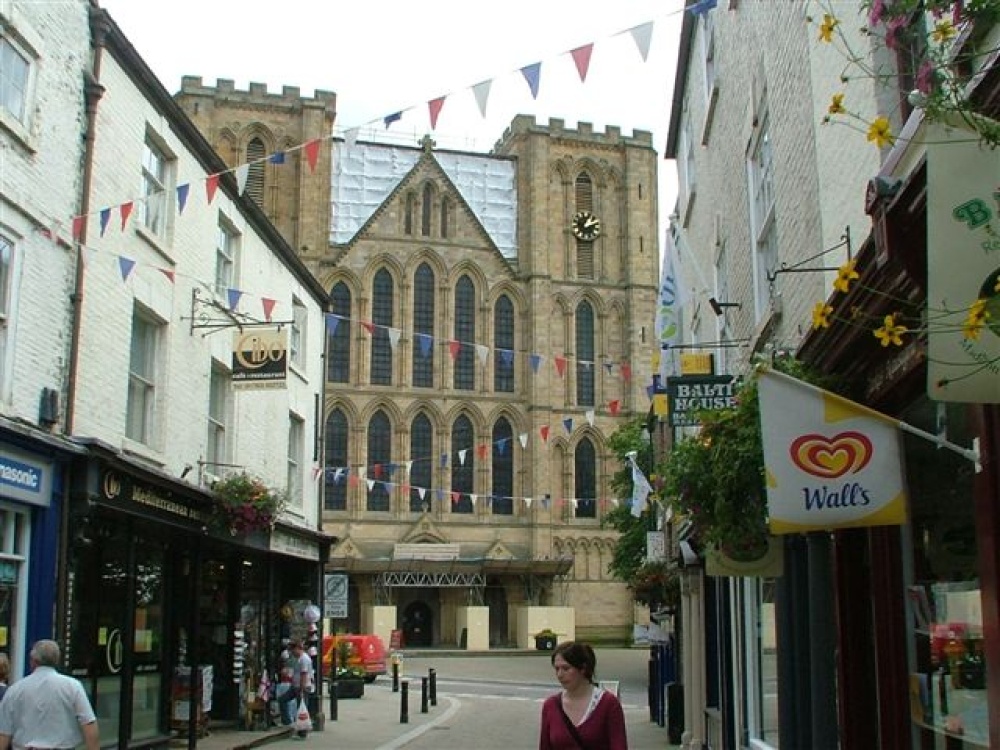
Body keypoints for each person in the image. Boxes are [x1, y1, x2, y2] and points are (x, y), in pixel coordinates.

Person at [0, 639, 99, 750]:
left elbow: (4, 733)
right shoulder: (73, 686)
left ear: (33, 661)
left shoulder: (15, 690)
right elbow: (88, 723)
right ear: (57, 660)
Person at [539, 641, 628, 750]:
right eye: (557, 669)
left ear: (583, 668)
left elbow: (619, 745)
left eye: (566, 668)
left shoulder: (608, 703)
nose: (560, 675)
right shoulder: (551, 705)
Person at [276, 639, 313, 739]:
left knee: (301, 708)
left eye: (293, 650)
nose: (292, 652)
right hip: (295, 686)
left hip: (302, 687)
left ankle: (303, 731)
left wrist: (301, 688)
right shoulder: (297, 658)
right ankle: (287, 722)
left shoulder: (304, 659)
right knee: (282, 700)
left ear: (298, 648)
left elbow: (304, 675)